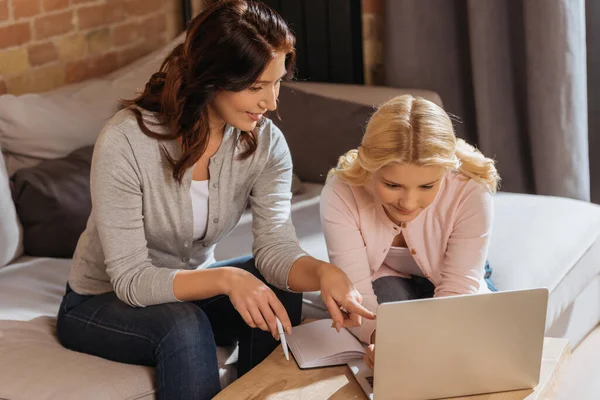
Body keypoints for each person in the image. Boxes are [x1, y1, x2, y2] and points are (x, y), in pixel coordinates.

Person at [56, 1, 374, 399]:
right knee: (183, 324)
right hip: (100, 301)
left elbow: (275, 247)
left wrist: (324, 274)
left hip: (195, 291)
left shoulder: (266, 143)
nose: (271, 102)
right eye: (256, 86)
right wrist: (227, 278)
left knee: (277, 286)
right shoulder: (126, 142)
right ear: (212, 78)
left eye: (277, 82)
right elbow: (131, 280)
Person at [320, 94, 500, 370]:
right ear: (370, 167)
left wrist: (427, 344)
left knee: (486, 347)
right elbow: (357, 296)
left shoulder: (472, 189)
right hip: (383, 274)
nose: (408, 203)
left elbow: (458, 289)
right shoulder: (342, 192)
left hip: (456, 277)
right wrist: (385, 343)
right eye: (392, 185)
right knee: (394, 334)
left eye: (427, 186)